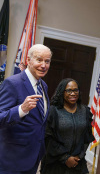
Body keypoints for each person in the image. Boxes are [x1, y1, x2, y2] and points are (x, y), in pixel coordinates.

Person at [0, 44, 52, 173]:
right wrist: (21, 110)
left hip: (33, 158)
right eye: (39, 60)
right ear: (28, 60)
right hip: (12, 159)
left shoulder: (43, 85)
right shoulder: (12, 83)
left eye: (47, 61)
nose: (43, 65)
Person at [40, 78, 94, 174]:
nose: (73, 94)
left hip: (77, 163)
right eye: (69, 90)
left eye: (75, 90)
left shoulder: (85, 111)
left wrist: (79, 156)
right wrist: (65, 158)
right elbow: (48, 138)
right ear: (62, 92)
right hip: (55, 162)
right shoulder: (53, 111)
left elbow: (86, 137)